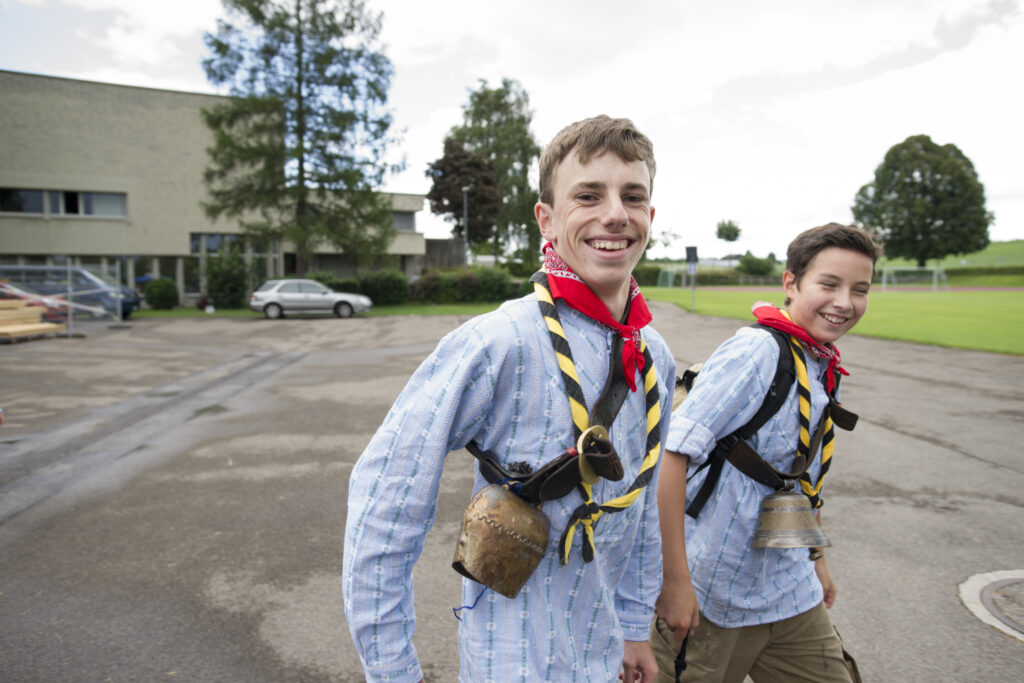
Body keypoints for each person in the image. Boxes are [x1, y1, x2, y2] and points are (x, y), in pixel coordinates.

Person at [343, 115, 676, 682]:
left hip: (605, 658)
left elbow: (641, 507)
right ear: (546, 219)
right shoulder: (496, 343)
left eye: (633, 196)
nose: (615, 214)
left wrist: (636, 626)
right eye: (588, 195)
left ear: (650, 216)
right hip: (513, 663)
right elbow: (385, 505)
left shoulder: (652, 357)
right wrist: (391, 671)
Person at [651, 223, 879, 682]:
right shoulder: (758, 351)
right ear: (791, 283)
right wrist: (674, 582)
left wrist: (817, 562)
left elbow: (794, 482)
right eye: (829, 284)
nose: (844, 303)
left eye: (860, 289)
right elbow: (670, 456)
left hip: (788, 591)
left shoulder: (819, 362)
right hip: (712, 594)